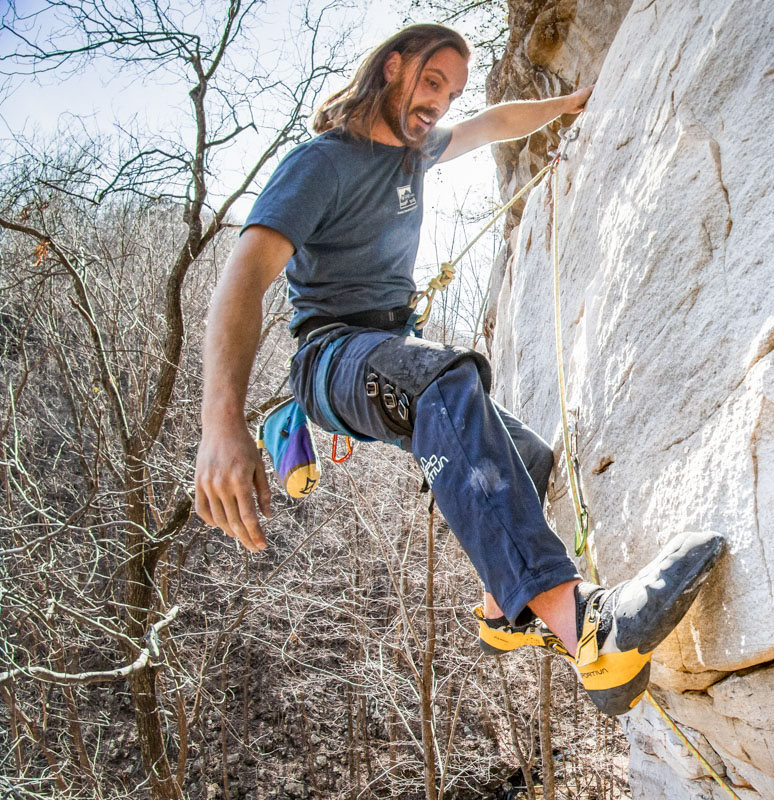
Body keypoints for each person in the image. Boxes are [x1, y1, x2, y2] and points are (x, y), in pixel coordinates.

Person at [193, 23, 724, 716]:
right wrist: (218, 421)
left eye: (450, 93)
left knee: (526, 456)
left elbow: (493, 124)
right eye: (432, 82)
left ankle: (505, 610)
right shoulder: (321, 164)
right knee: (447, 378)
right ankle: (589, 631)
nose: (440, 104)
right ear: (392, 68)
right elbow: (241, 279)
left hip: (387, 353)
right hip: (331, 357)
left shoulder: (416, 152)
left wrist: (568, 105)